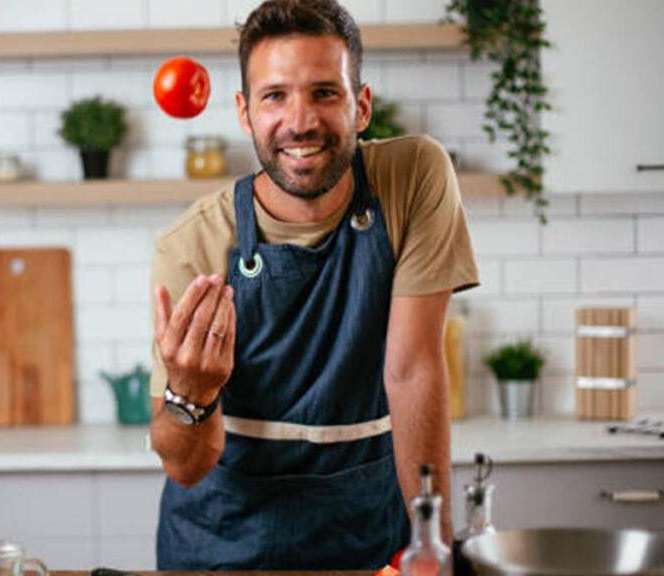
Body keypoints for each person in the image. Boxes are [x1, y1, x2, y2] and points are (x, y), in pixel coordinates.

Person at [148, 0, 480, 570]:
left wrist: (433, 544)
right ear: (245, 113)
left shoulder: (414, 178)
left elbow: (413, 369)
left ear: (362, 105)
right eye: (274, 95)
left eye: (325, 92)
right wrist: (190, 392)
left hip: (370, 541)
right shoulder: (194, 246)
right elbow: (185, 465)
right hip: (225, 548)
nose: (300, 121)